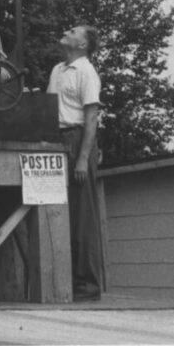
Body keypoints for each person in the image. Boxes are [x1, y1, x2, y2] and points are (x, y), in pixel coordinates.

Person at [47, 24, 104, 302]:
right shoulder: (57, 70)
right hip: (56, 140)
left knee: (82, 214)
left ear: (82, 45)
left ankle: (88, 285)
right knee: (59, 210)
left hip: (77, 138)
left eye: (73, 31)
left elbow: (91, 117)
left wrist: (83, 157)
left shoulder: (86, 71)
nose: (67, 32)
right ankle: (64, 279)